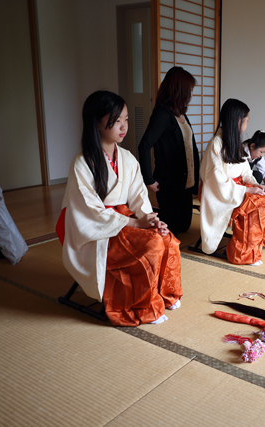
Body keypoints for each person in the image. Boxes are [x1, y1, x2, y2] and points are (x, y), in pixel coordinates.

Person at [59, 90, 182, 327]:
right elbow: (90, 211)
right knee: (152, 244)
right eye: (116, 121)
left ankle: (164, 294)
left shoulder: (127, 158)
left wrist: (150, 218)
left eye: (125, 119)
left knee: (167, 238)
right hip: (100, 231)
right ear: (97, 121)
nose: (123, 126)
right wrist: (136, 223)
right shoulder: (82, 163)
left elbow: (138, 196)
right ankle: (143, 305)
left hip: (124, 219)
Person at [199, 98, 265, 266]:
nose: (247, 124)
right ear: (238, 121)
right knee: (256, 204)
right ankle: (246, 253)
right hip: (219, 193)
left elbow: (245, 171)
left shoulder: (235, 142)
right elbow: (218, 180)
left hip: (237, 188)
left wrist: (255, 184)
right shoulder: (216, 144)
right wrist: (247, 190)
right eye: (246, 120)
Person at [138, 66, 199, 236]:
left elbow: (189, 146)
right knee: (171, 230)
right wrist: (148, 179)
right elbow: (144, 145)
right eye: (190, 90)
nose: (192, 94)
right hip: (170, 183)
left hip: (186, 183)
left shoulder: (181, 114)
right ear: (180, 90)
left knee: (184, 226)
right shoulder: (162, 114)